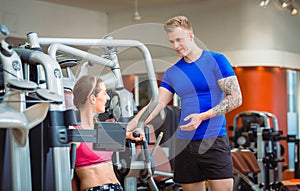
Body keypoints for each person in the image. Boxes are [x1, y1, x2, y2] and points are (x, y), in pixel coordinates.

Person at [127, 16, 242, 191]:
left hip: (214, 139)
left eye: (179, 40)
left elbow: (235, 98)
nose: (175, 46)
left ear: (191, 35)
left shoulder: (216, 60)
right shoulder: (173, 72)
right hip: (184, 144)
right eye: (171, 42)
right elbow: (157, 103)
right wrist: (131, 126)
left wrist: (203, 116)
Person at [72, 75, 141, 191]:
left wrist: (134, 134)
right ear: (93, 98)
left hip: (117, 187)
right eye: (104, 93)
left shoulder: (102, 129)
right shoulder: (73, 132)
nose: (108, 98)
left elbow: (130, 129)